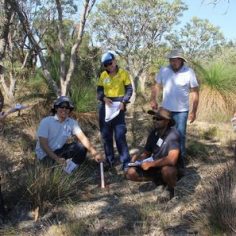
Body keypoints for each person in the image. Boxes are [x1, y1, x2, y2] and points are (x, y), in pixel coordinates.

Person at [150, 48, 199, 169]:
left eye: (176, 60)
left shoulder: (189, 72)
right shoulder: (164, 70)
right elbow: (157, 86)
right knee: (162, 134)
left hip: (182, 111)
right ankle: (163, 160)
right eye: (171, 60)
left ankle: (179, 164)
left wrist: (194, 111)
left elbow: (194, 92)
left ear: (182, 60)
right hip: (165, 110)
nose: (174, 62)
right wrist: (153, 99)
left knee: (180, 136)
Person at [126, 107, 180, 201]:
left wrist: (151, 164)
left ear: (167, 121)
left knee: (167, 170)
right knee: (130, 173)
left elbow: (172, 159)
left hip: (170, 167)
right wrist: (137, 160)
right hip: (155, 166)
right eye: (154, 118)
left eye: (158, 119)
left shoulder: (173, 134)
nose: (155, 120)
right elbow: (146, 153)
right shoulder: (153, 133)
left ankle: (170, 189)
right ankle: (160, 182)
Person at [35, 96, 104, 171]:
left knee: (81, 147)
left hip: (59, 151)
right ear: (56, 108)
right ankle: (57, 170)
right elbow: (43, 144)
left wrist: (94, 153)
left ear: (70, 110)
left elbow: (83, 138)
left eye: (67, 108)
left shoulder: (71, 122)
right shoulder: (46, 121)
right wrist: (56, 158)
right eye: (62, 106)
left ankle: (69, 171)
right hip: (45, 156)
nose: (64, 109)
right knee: (51, 168)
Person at [97, 52, 133, 171]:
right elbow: (99, 90)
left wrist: (124, 102)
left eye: (111, 63)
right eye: (106, 65)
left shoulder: (123, 73)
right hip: (105, 106)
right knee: (106, 135)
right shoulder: (103, 75)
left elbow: (129, 89)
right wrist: (103, 98)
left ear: (115, 61)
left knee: (120, 135)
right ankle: (110, 161)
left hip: (119, 106)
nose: (109, 66)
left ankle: (126, 162)